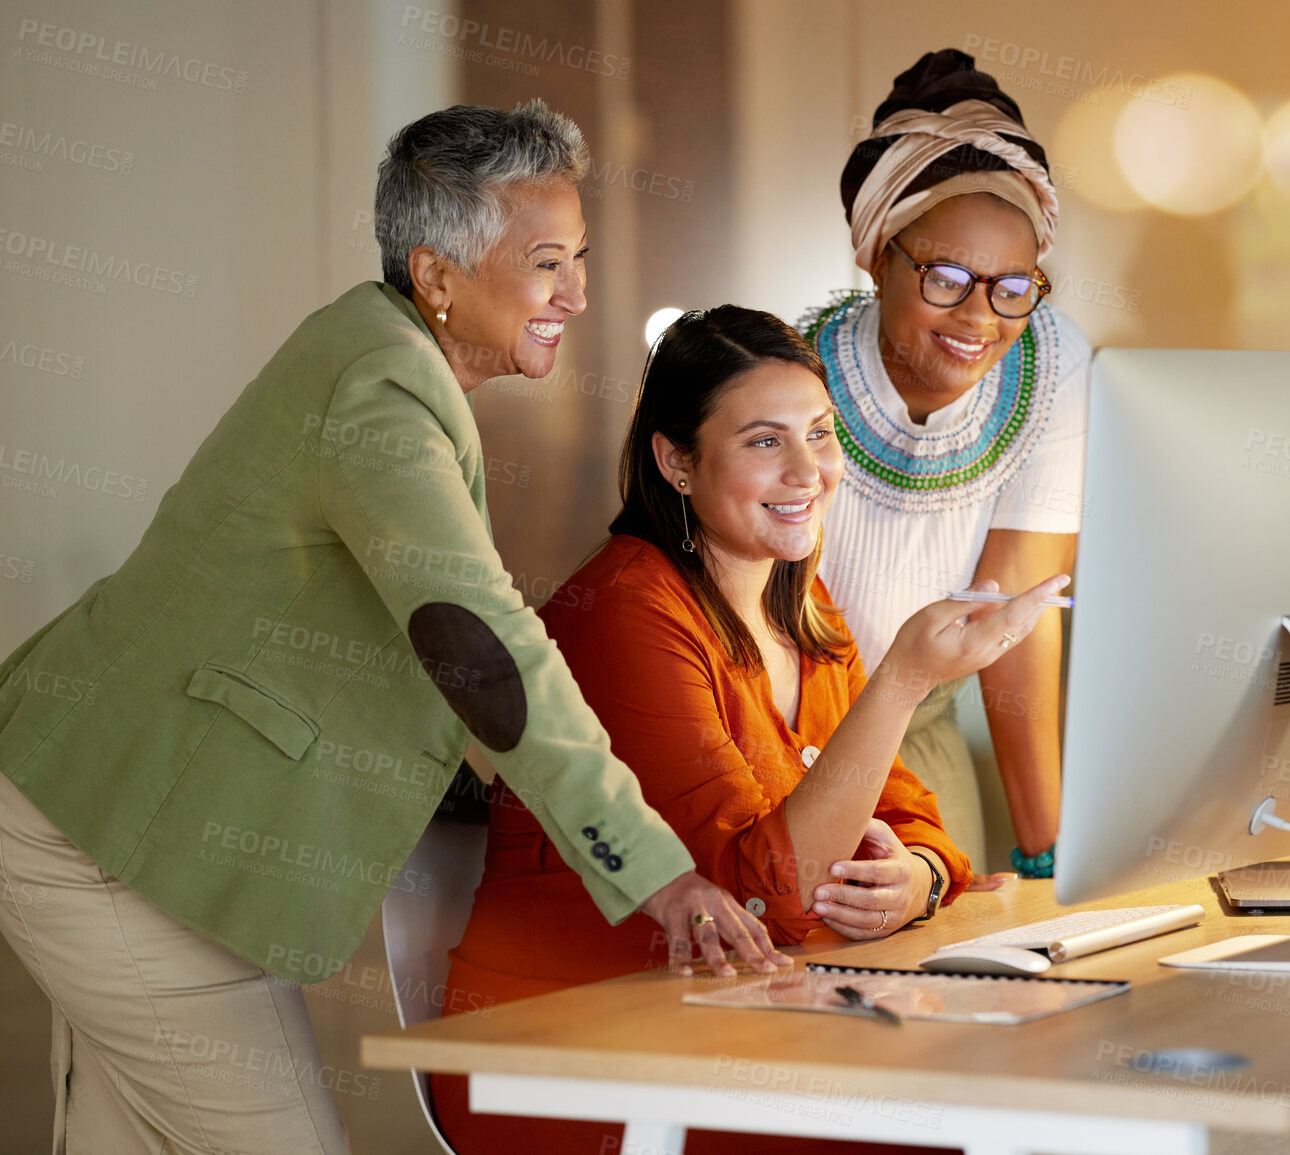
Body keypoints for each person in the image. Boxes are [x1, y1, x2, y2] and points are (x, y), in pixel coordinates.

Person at [0, 102, 784, 1155]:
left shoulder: (381, 357)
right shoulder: (383, 386)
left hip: (111, 812)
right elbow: (477, 641)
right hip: (110, 841)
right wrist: (655, 868)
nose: (578, 292)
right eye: (547, 261)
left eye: (580, 257)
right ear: (438, 276)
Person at [431, 306, 1067, 1155]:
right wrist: (905, 678)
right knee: (986, 1124)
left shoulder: (802, 605)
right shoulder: (624, 612)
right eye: (765, 441)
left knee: (1027, 1093)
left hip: (734, 1023)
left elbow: (915, 822)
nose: (809, 471)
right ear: (677, 461)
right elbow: (767, 897)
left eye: (819, 434)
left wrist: (915, 878)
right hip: (571, 1050)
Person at [802, 49, 1091, 878]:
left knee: (947, 986)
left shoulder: (1049, 357)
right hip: (783, 736)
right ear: (877, 256)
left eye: (1011, 283)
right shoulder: (790, 380)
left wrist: (1049, 854)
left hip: (920, 738)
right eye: (945, 277)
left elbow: (1013, 619)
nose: (979, 317)